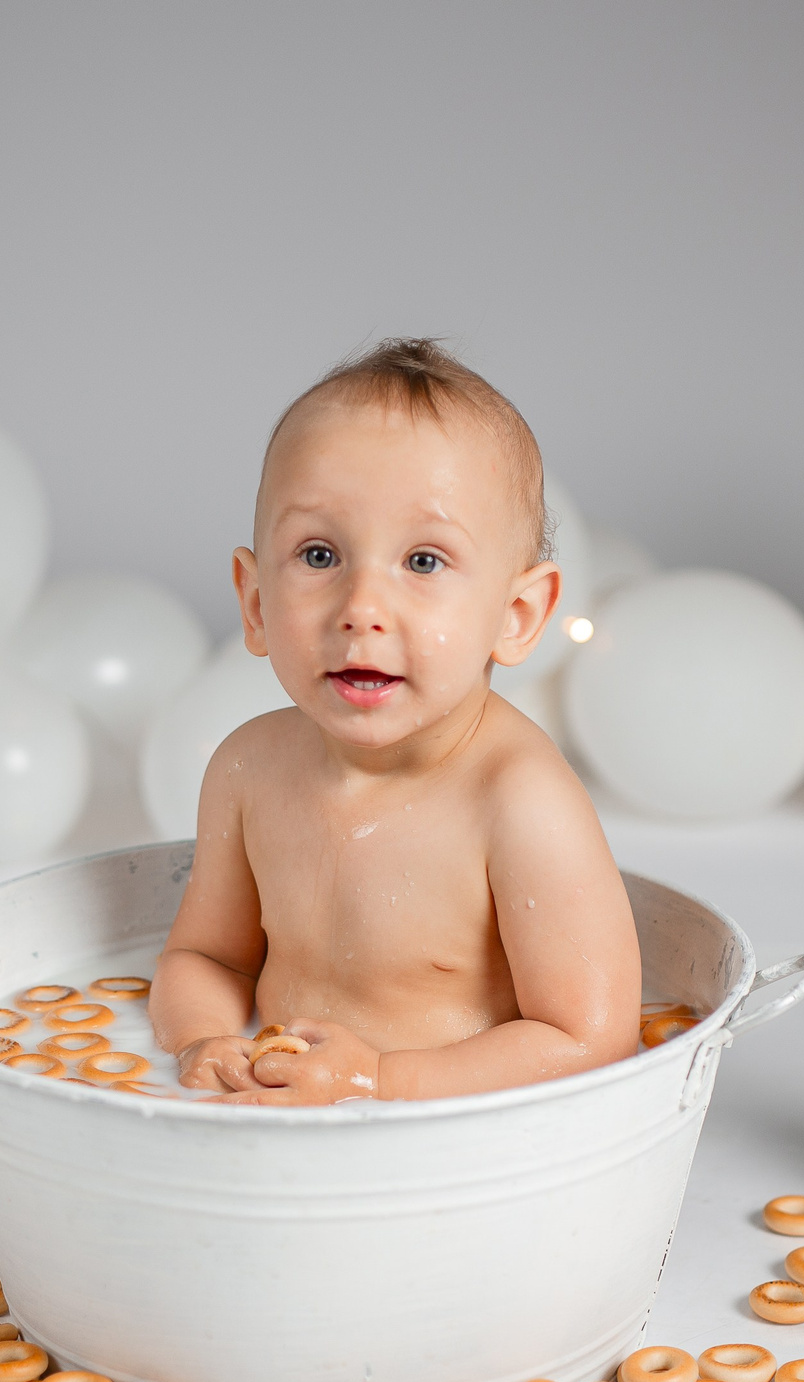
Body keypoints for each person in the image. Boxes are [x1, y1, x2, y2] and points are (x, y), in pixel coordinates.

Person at [149, 339, 641, 1103]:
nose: (361, 610)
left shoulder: (518, 801)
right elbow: (207, 960)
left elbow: (593, 1037)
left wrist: (378, 1078)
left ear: (515, 616)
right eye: (318, 554)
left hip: (459, 1142)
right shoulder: (247, 770)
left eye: (423, 561)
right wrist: (204, 1038)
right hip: (279, 1125)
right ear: (254, 604)